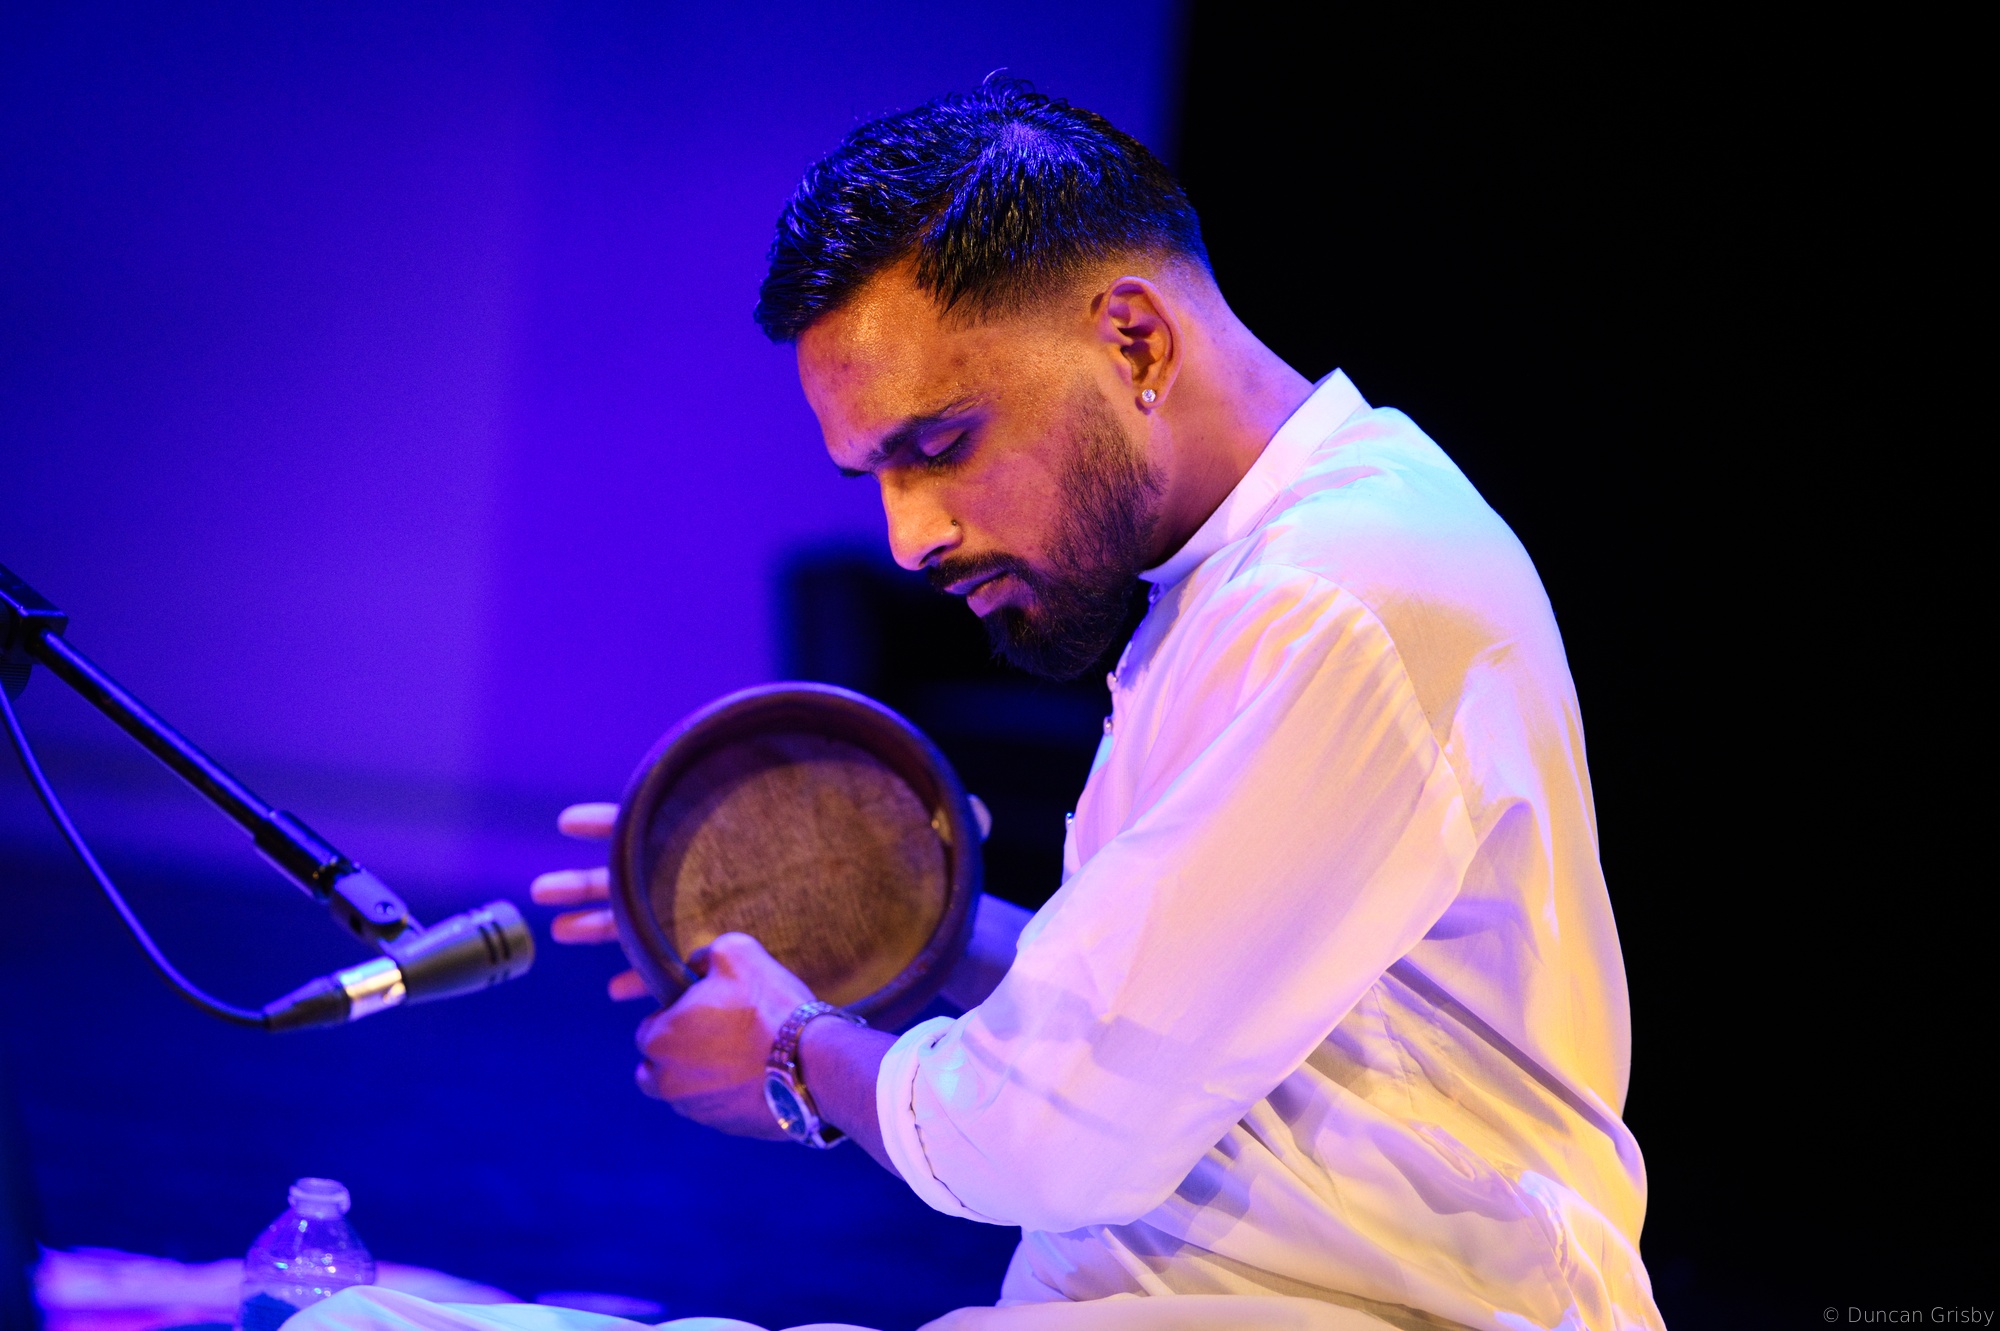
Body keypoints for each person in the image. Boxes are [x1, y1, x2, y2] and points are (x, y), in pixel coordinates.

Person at [297, 81, 1663, 1331]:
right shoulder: (1259, 570)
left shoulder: (1339, 594)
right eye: (876, 479)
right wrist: (896, 913)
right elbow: (1153, 1024)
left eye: (940, 446)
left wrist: (794, 1051)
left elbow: (1056, 1133)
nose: (908, 538)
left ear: (1134, 340)